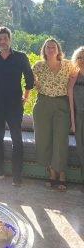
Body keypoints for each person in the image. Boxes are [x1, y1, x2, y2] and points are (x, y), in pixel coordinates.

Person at [0, 27, 34, 186]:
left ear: (9, 39)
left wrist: (25, 97)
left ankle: (16, 175)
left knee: (17, 138)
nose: (2, 41)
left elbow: (29, 78)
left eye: (5, 38)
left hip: (15, 104)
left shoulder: (21, 57)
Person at [32, 38, 73, 191]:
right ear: (44, 50)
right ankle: (51, 174)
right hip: (43, 104)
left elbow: (77, 77)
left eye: (53, 47)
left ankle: (62, 175)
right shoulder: (38, 66)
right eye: (47, 47)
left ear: (58, 49)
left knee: (61, 140)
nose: (50, 49)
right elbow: (29, 81)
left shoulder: (68, 65)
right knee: (45, 139)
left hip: (62, 104)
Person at [68, 46, 84, 189]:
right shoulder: (73, 76)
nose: (82, 60)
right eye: (79, 57)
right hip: (78, 117)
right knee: (81, 149)